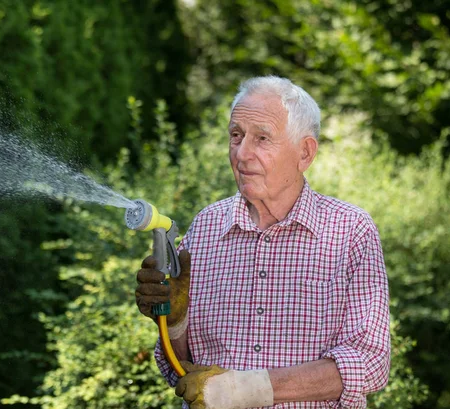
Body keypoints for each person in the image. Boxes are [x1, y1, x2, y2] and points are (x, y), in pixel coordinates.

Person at [135, 76, 390, 409]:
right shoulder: (205, 227)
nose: (242, 153)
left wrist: (246, 388)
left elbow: (369, 362)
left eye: (262, 138)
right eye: (236, 136)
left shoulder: (349, 231)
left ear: (305, 152)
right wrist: (173, 322)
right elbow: (180, 372)